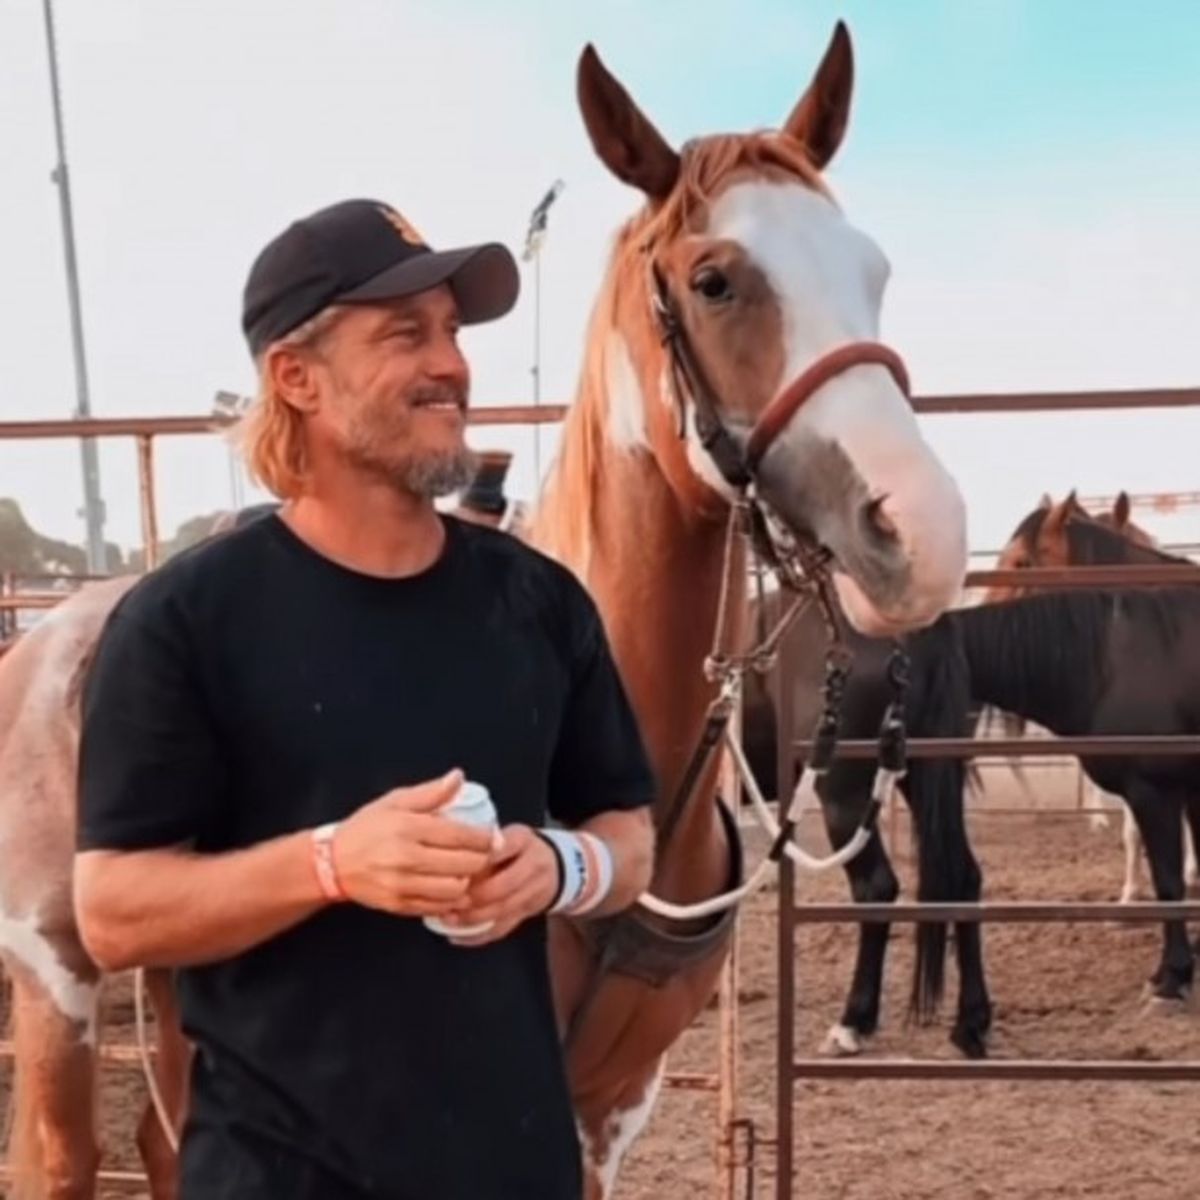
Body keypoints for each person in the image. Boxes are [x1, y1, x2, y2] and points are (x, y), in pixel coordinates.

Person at [73, 198, 658, 1200]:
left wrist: (561, 866)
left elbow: (629, 834)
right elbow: (114, 913)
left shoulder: (540, 603)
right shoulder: (184, 622)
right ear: (295, 377)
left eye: (453, 332)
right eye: (404, 334)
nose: (451, 365)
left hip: (516, 1171)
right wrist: (333, 862)